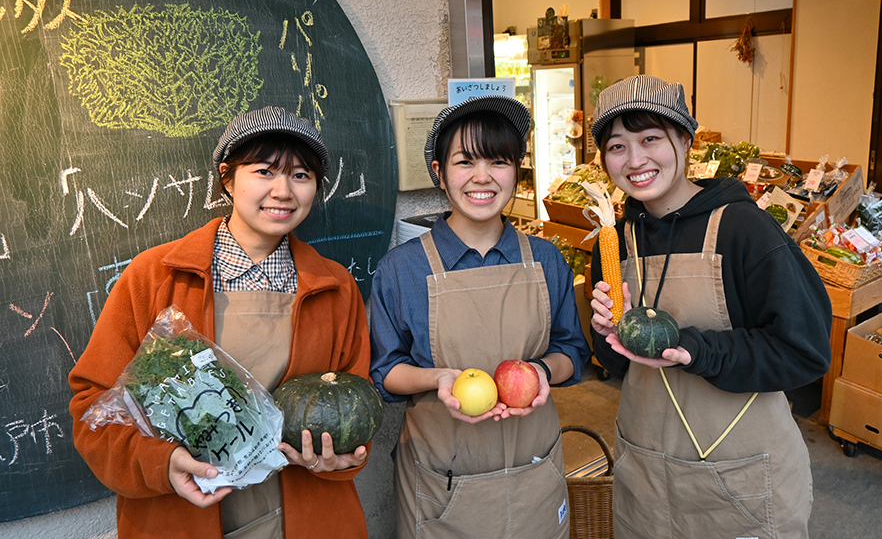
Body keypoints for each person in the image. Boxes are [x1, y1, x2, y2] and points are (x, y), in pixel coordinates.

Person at [69, 106, 371, 539]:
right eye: (265, 171)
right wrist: (163, 464)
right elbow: (93, 408)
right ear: (227, 178)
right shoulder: (154, 277)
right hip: (181, 518)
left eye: (301, 175)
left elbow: (357, 404)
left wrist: (341, 458)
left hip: (311, 517)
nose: (283, 191)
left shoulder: (335, 287)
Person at [587, 75, 832, 539]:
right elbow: (616, 365)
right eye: (617, 146)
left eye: (651, 139)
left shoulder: (744, 229)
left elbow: (806, 350)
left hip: (740, 480)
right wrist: (607, 334)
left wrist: (697, 351)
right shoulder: (615, 241)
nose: (635, 160)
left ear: (685, 140)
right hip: (647, 476)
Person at [369, 95, 590, 539]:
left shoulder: (546, 259)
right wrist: (438, 379)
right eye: (465, 161)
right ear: (439, 172)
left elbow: (571, 351)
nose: (482, 176)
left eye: (498, 161)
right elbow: (386, 371)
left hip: (534, 474)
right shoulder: (401, 269)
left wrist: (542, 372)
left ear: (517, 169)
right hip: (441, 484)